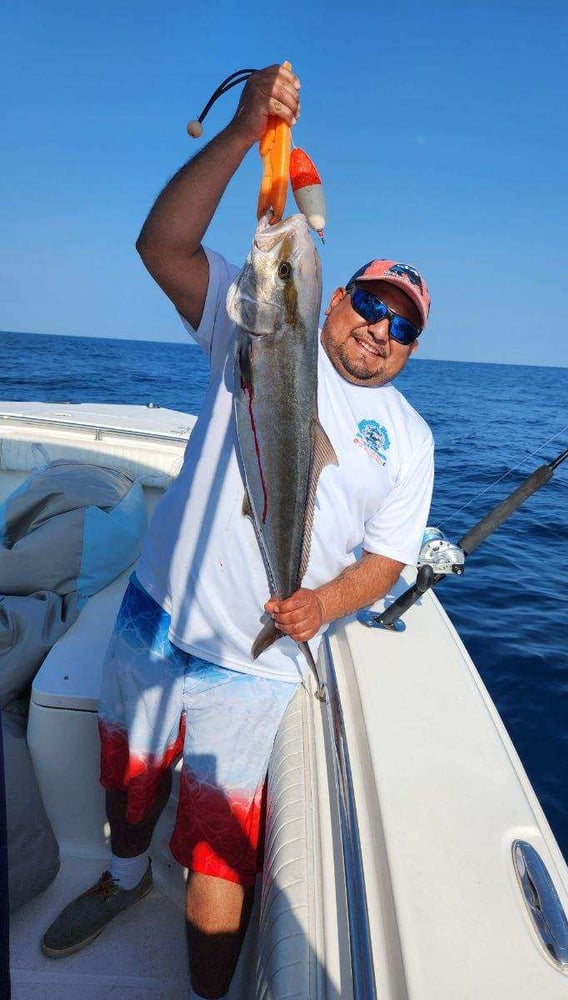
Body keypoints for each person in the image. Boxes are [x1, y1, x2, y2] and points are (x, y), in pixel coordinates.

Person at [41, 64, 434, 1000]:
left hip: (254, 663)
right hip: (159, 608)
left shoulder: (411, 442)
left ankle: (208, 993)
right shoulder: (250, 326)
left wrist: (321, 604)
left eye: (402, 326)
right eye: (369, 302)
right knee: (125, 782)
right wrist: (242, 134)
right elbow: (161, 242)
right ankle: (122, 878)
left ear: (412, 350)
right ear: (330, 299)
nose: (379, 329)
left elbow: (385, 559)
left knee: (221, 853)